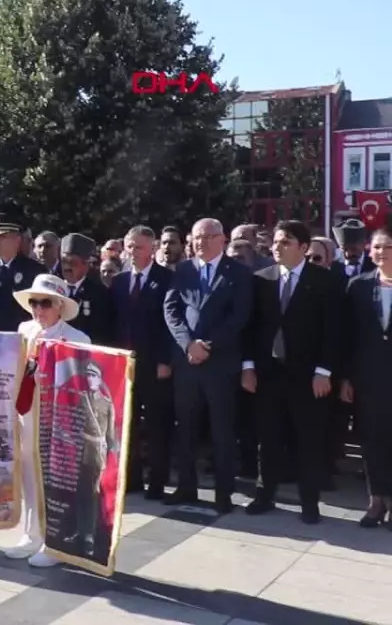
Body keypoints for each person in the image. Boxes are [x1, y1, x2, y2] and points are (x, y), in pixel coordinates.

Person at [241, 220, 341, 524]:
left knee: (307, 439)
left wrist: (324, 371)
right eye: (275, 241)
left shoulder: (324, 281)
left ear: (303, 247)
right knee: (268, 437)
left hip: (308, 375)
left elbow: (333, 332)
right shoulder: (262, 279)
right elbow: (251, 328)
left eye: (285, 242)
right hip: (269, 372)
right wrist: (248, 367)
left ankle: (309, 502)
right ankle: (264, 493)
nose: (277, 247)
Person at [163, 218, 253, 514]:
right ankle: (186, 486)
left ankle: (223, 493)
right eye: (196, 237)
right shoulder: (184, 270)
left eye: (207, 237)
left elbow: (239, 317)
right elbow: (172, 309)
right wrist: (188, 344)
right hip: (187, 362)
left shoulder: (238, 272)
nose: (200, 242)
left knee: (222, 430)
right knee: (185, 427)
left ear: (221, 239)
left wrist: (207, 346)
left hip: (220, 363)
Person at [7, 273, 90, 569]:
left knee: (56, 479)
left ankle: (56, 542)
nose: (38, 309)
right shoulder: (24, 329)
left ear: (59, 306)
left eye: (44, 303)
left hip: (59, 421)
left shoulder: (78, 339)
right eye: (34, 303)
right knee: (29, 472)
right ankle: (31, 533)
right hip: (28, 413)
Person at [111, 225, 173, 497]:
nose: (133, 252)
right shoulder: (120, 281)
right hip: (125, 364)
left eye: (139, 247)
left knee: (157, 423)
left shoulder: (166, 279)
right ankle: (132, 478)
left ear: (152, 249)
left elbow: (171, 325)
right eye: (129, 246)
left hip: (154, 363)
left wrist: (165, 360)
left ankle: (157, 481)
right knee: (128, 423)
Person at [340, 227, 392, 528]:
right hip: (368, 378)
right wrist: (346, 378)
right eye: (377, 247)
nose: (381, 252)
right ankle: (376, 500)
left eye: (387, 247)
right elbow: (346, 336)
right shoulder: (358, 286)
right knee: (372, 441)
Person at [65, 358, 119, 557]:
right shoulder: (81, 398)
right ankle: (80, 530)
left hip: (97, 451)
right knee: (80, 492)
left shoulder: (106, 403)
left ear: (100, 379)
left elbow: (111, 433)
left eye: (94, 375)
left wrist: (113, 450)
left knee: (93, 494)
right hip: (80, 448)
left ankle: (90, 535)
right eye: (88, 374)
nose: (90, 379)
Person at [61, 233, 114, 345]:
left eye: (73, 263)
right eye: (64, 261)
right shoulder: (55, 287)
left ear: (86, 265)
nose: (67, 267)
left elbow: (102, 334)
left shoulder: (99, 294)